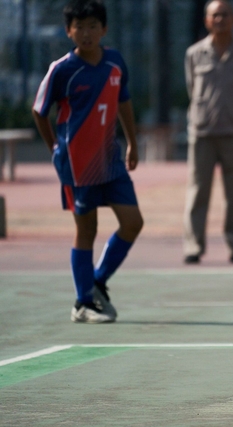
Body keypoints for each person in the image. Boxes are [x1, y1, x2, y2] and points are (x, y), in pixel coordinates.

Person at [32, 0, 143, 323]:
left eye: (93, 25)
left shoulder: (115, 62)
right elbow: (40, 111)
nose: (86, 32)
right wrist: (55, 146)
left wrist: (133, 143)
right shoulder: (62, 69)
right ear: (69, 31)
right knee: (87, 228)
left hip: (111, 160)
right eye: (79, 26)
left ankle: (95, 282)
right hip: (76, 165)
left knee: (133, 222)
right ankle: (83, 302)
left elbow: (124, 103)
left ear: (104, 29)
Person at [183, 0, 233, 265]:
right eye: (215, 15)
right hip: (202, 133)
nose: (220, 20)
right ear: (206, 21)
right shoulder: (194, 54)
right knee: (197, 191)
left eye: (225, 15)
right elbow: (192, 89)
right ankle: (193, 247)